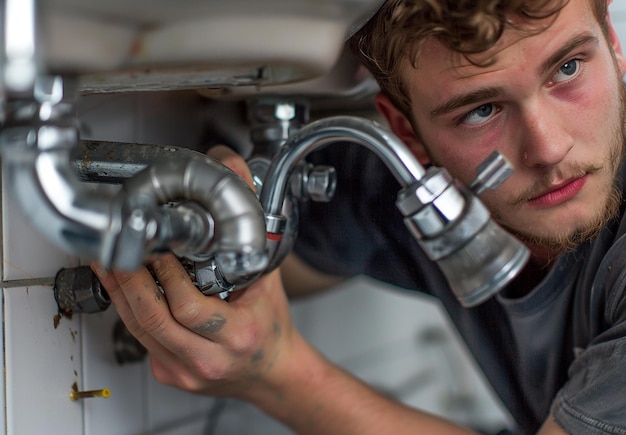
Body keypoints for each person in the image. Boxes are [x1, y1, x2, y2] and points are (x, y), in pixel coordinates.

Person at [91, 0, 626, 433]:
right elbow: (284, 263)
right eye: (481, 110)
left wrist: (277, 371)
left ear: (616, 47)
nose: (548, 148)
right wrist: (228, 232)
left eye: (568, 68)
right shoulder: (421, 193)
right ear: (408, 135)